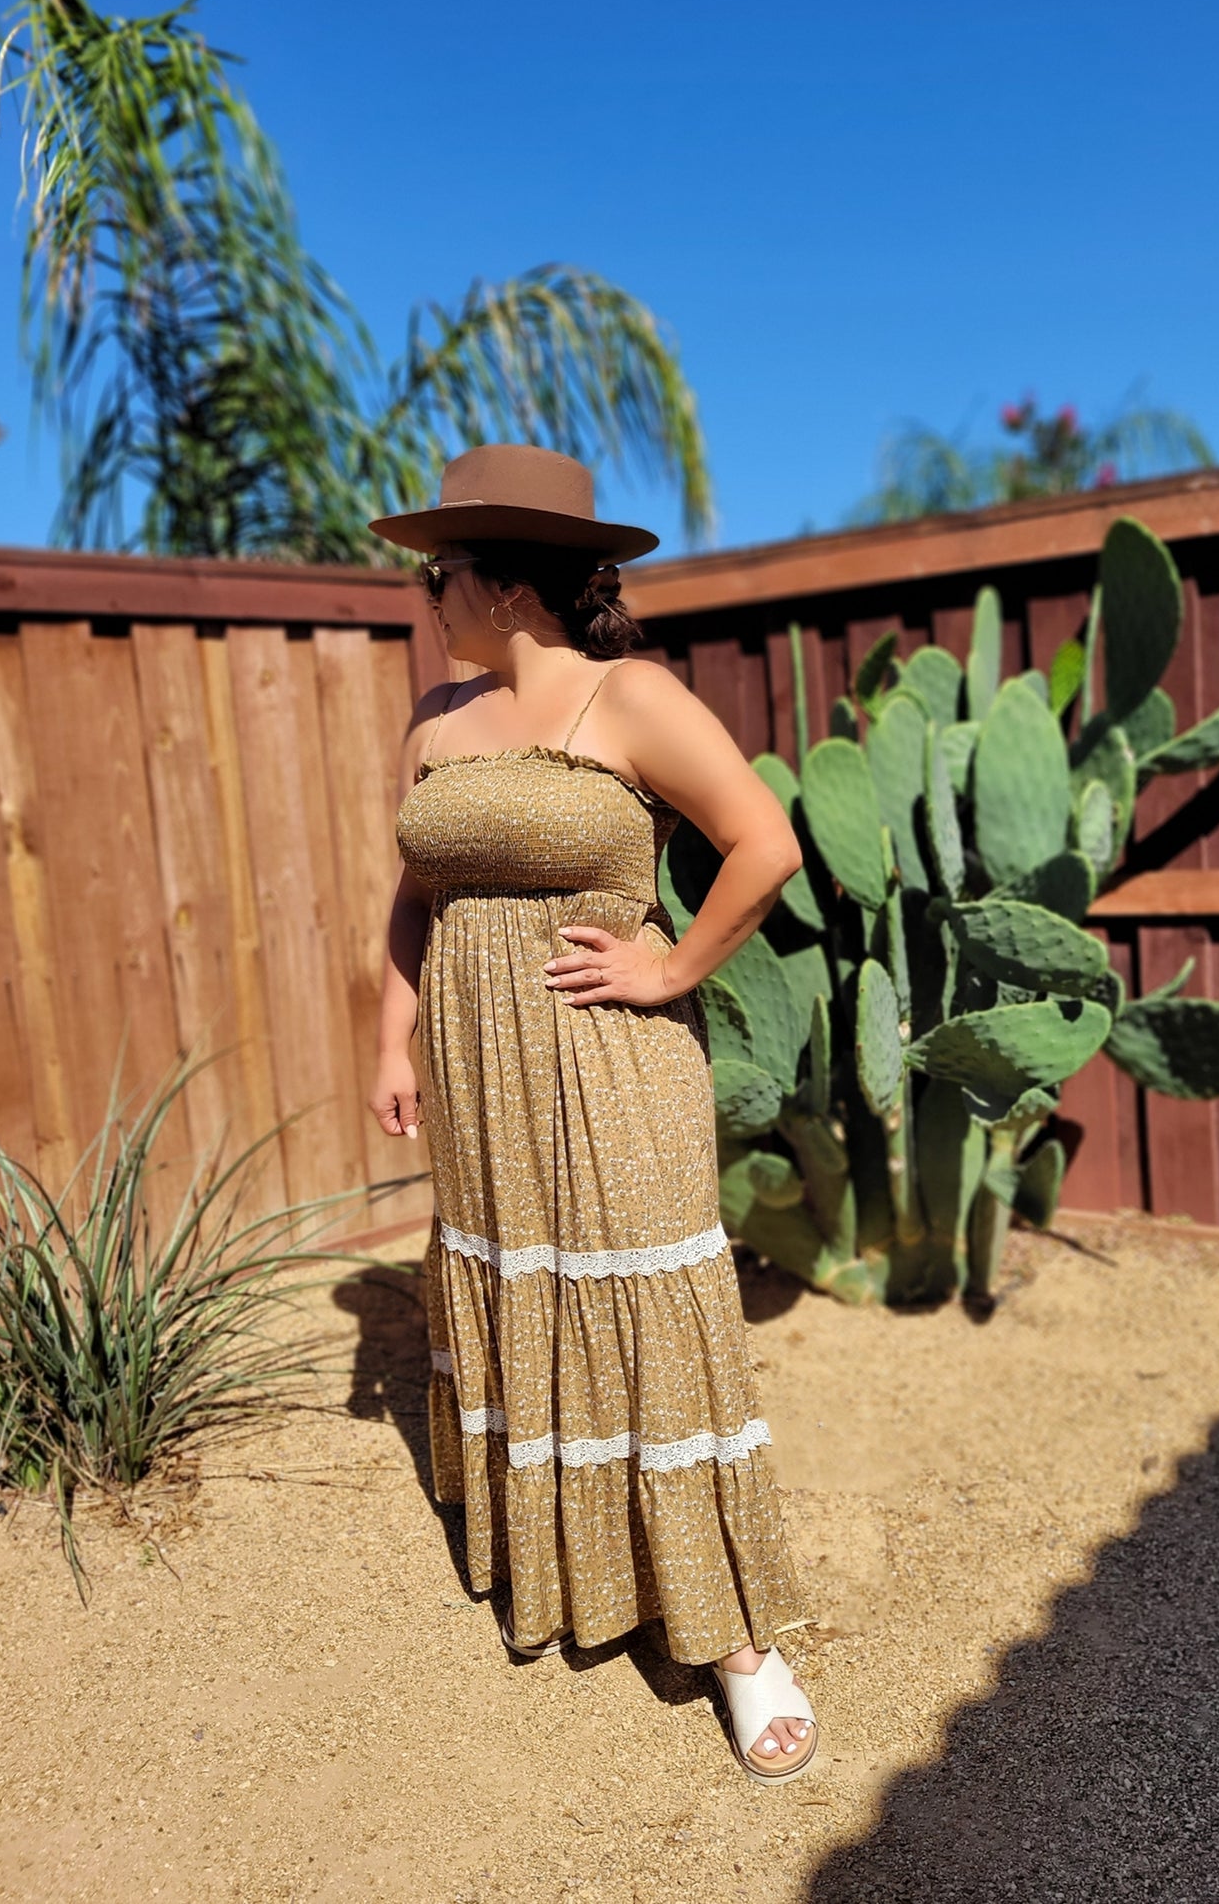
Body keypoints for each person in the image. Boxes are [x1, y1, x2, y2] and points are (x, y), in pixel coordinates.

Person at [366, 444, 820, 1783]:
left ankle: (736, 1642)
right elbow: (409, 894)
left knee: (643, 1312)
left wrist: (672, 966)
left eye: (438, 572)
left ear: (505, 581)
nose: (426, 594)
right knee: (524, 1299)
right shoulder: (436, 718)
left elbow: (767, 841)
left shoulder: (634, 698)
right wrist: (389, 1037)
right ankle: (565, 1568)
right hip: (478, 1069)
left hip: (606, 1061)